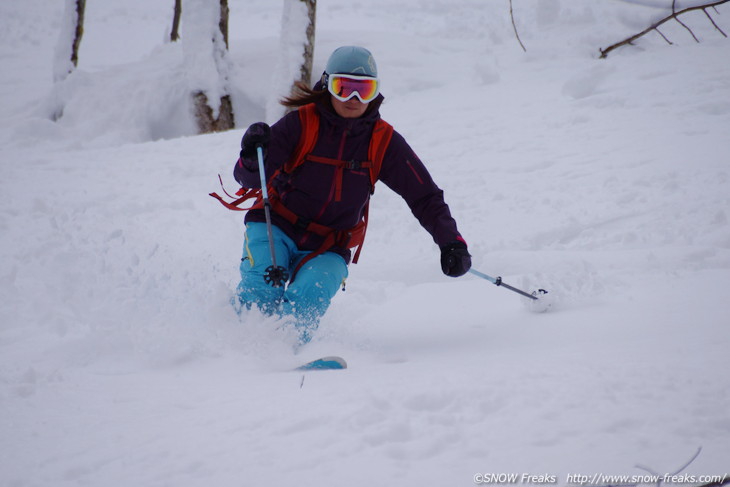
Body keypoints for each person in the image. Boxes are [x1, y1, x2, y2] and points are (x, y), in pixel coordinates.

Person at [232, 45, 471, 345]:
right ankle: (237, 348)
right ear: (327, 85)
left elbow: (424, 195)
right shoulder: (301, 124)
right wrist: (252, 158)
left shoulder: (383, 141)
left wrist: (452, 243)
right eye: (344, 88)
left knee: (311, 294)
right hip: (275, 226)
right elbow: (249, 178)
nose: (354, 99)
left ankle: (282, 351)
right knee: (262, 287)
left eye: (364, 89)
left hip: (329, 244)